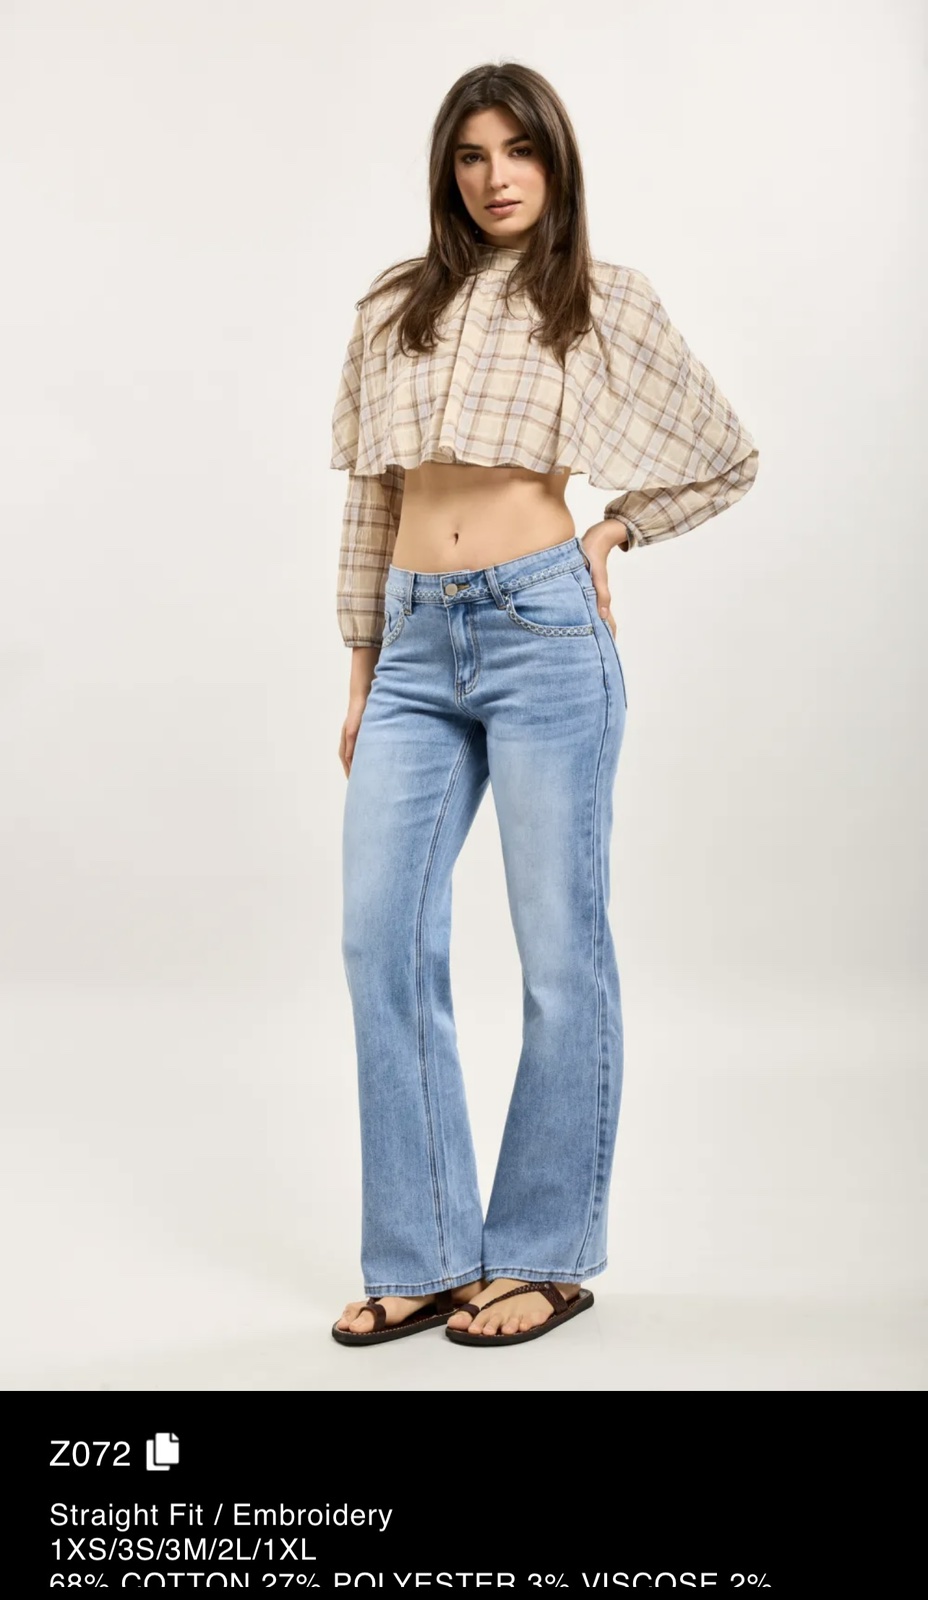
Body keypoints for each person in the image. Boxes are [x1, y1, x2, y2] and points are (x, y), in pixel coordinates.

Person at [329, 62, 759, 1346]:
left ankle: (543, 1252)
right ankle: (421, 1250)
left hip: (541, 635)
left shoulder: (601, 298)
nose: (496, 176)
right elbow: (369, 495)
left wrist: (613, 531)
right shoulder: (392, 306)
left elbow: (725, 455)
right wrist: (361, 665)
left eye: (518, 151)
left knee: (559, 951)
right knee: (380, 941)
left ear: (555, 163)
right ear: (446, 172)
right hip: (414, 646)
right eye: (471, 155)